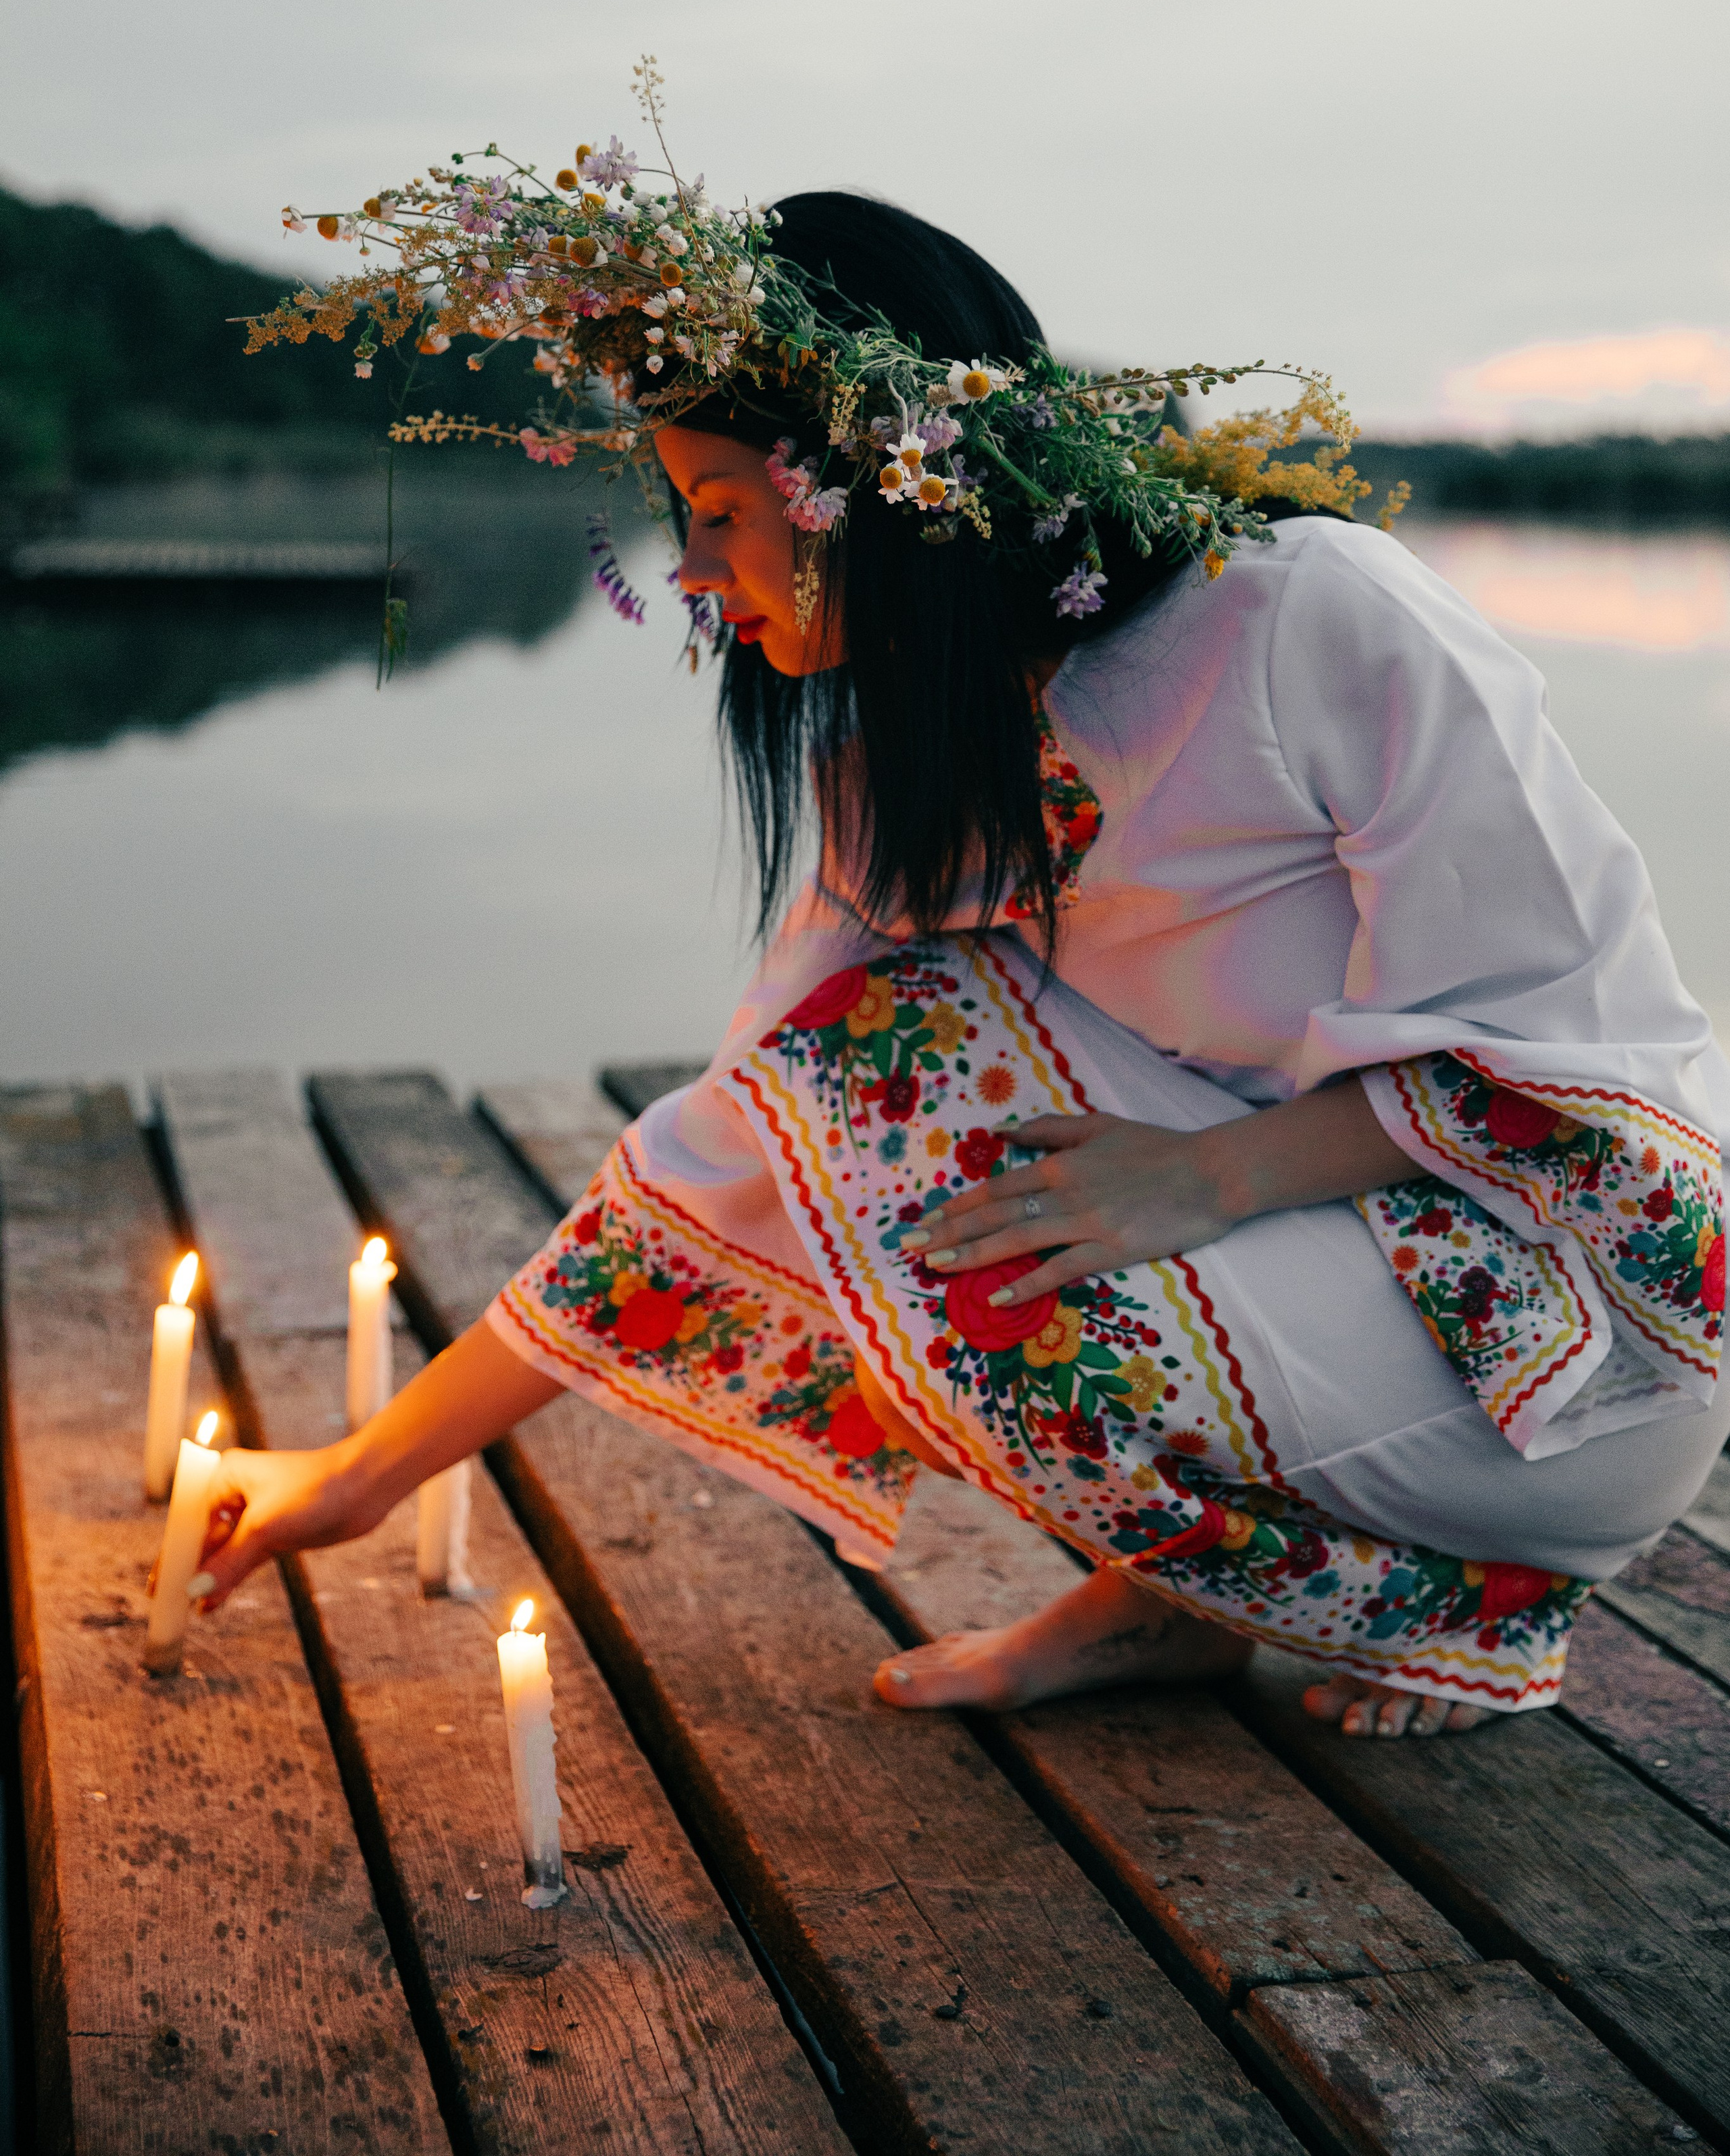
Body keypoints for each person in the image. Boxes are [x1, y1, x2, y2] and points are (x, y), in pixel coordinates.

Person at [205, 181, 1729, 1740]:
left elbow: (1572, 1047)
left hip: (1570, 1340)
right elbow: (732, 1135)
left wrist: (1206, 1179)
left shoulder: (1299, 618)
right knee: (872, 1081)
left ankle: (1452, 1614)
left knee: (977, 1242)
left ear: (864, 485)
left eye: (719, 511)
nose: (689, 570)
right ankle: (1171, 1614)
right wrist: (363, 1471)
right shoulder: (912, 767)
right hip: (1301, 1291)